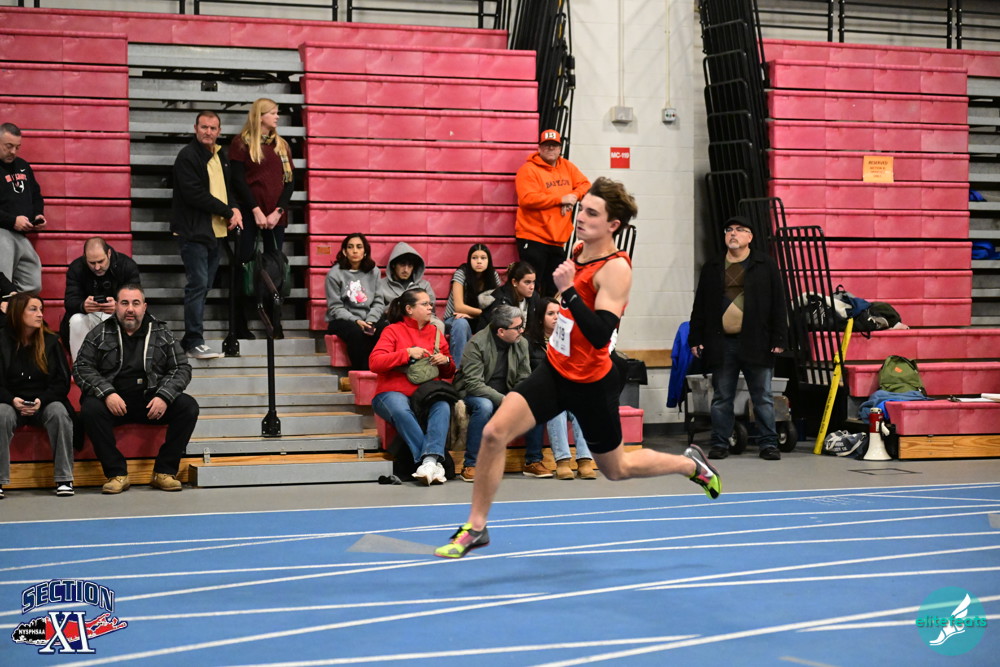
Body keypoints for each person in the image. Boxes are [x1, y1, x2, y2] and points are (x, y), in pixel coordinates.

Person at [436, 177, 721, 558]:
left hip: (591, 383)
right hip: (555, 371)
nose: (580, 216)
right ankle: (476, 527)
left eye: (591, 213)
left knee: (616, 469)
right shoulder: (581, 248)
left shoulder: (616, 270)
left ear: (613, 225)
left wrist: (569, 290)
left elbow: (601, 334)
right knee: (493, 433)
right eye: (581, 208)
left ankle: (688, 464)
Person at [74, 285, 200, 494]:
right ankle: (117, 474)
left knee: (188, 407)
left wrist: (164, 396)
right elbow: (82, 367)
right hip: (115, 403)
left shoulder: (162, 332)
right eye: (124, 303)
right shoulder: (100, 332)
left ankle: (164, 472)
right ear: (116, 306)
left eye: (135, 303)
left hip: (150, 402)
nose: (130, 309)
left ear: (144, 307)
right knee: (90, 408)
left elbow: (182, 368)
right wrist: (107, 393)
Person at [688, 215, 788, 461]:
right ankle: (719, 443)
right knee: (722, 397)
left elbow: (778, 303)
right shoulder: (712, 266)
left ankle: (768, 444)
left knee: (762, 397)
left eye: (740, 229)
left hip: (757, 342)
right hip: (722, 343)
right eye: (729, 229)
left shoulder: (765, 265)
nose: (733, 233)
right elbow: (700, 305)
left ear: (750, 237)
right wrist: (695, 337)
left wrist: (779, 338)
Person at [171, 110, 243, 359]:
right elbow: (195, 194)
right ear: (195, 128)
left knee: (204, 286)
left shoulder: (220, 155)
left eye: (213, 128)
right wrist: (227, 211)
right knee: (198, 285)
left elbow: (227, 189)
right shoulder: (187, 156)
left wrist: (234, 208)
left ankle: (191, 340)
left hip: (216, 232)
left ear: (219, 131)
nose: (208, 132)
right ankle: (193, 340)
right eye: (204, 127)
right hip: (193, 232)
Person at [454, 304, 550, 482]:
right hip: (475, 393)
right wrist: (503, 399)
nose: (522, 331)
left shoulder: (521, 342)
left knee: (534, 402)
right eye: (517, 327)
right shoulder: (476, 344)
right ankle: (471, 464)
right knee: (484, 406)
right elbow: (474, 384)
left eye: (522, 325)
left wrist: (517, 398)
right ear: (501, 331)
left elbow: (524, 377)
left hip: (507, 393)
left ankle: (533, 461)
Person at [369, 289, 455, 486]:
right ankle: (431, 462)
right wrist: (406, 353)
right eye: (424, 304)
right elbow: (375, 363)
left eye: (430, 304)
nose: (430, 307)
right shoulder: (392, 330)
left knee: (442, 405)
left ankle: (429, 462)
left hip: (425, 393)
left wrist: (445, 361)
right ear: (409, 309)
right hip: (391, 392)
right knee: (401, 409)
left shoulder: (436, 332)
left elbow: (449, 372)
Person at [229, 98, 294, 338]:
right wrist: (255, 209)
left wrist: (278, 211)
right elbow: (237, 180)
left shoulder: (281, 145)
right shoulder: (241, 143)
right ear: (260, 116)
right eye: (272, 113)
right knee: (243, 265)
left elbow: (289, 183)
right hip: (249, 214)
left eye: (277, 113)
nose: (277, 117)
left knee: (275, 268)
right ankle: (239, 323)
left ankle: (274, 321)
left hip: (275, 217)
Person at [0, 294, 74, 499]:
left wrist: (43, 400)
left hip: (44, 402)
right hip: (11, 402)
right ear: (17, 313)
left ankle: (64, 478)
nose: (40, 314)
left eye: (41, 309)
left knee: (59, 412)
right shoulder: (1, 340)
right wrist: (11, 400)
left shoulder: (51, 341)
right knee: (1, 414)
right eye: (33, 309)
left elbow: (62, 382)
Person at [526, 296, 596, 480]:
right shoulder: (529, 343)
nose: (556, 317)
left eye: (559, 313)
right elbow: (527, 374)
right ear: (540, 318)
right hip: (544, 394)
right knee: (555, 410)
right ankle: (562, 461)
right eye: (551, 314)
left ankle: (584, 461)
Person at [514, 129, 590, 297]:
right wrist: (560, 199)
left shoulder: (567, 166)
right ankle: (529, 315)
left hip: (558, 240)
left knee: (555, 288)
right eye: (546, 145)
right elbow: (527, 199)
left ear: (560, 148)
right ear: (539, 148)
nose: (550, 148)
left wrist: (573, 196)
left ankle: (548, 315)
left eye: (554, 145)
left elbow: (585, 185)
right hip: (533, 237)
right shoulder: (528, 170)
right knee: (530, 288)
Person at [61, 237, 141, 361]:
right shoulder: (77, 267)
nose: (97, 267)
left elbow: (136, 300)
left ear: (109, 253)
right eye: (92, 263)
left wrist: (118, 307)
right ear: (85, 257)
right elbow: (70, 301)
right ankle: (80, 367)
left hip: (117, 316)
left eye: (100, 261)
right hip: (88, 316)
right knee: (76, 320)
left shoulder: (126, 265)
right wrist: (83, 306)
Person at [325, 233, 384, 370]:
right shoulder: (334, 274)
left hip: (369, 317)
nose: (355, 251)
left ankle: (382, 371)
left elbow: (378, 301)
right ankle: (361, 372)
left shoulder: (374, 272)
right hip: (342, 320)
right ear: (344, 251)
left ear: (365, 251)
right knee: (356, 333)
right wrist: (356, 320)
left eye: (359, 247)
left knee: (386, 329)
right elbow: (335, 307)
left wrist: (371, 320)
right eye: (350, 247)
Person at [0, 123, 44, 294]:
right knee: (3, 284)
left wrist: (38, 214)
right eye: (8, 146)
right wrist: (12, 220)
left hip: (21, 234)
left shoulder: (23, 165)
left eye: (17, 147)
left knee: (33, 284)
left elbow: (36, 195)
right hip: (2, 232)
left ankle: (14, 308)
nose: (13, 151)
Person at [443, 243, 500, 369]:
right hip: (455, 318)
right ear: (469, 260)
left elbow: (497, 306)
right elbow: (459, 307)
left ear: (489, 260)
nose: (479, 261)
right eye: (474, 258)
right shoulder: (461, 273)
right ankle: (459, 370)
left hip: (480, 319)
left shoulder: (493, 275)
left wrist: (477, 315)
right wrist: (483, 313)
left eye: (483, 258)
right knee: (461, 323)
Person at [376, 241, 443, 333]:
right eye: (402, 265)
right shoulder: (382, 285)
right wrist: (397, 308)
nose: (406, 270)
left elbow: (431, 308)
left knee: (438, 325)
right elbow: (378, 308)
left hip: (420, 319)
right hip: (394, 321)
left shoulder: (424, 285)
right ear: (393, 265)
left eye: (410, 266)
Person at [479, 260, 539, 334]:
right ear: (514, 282)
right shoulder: (500, 301)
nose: (532, 287)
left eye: (533, 282)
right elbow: (500, 333)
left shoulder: (534, 297)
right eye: (527, 282)